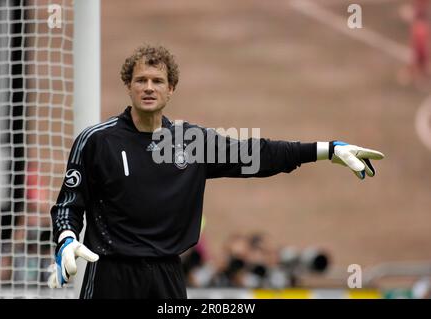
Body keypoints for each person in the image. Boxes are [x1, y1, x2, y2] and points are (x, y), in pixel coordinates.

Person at [47, 45, 384, 299]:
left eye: (157, 81)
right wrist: (65, 239)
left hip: (167, 275)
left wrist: (326, 150)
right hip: (110, 274)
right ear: (129, 86)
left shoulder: (192, 142)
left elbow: (259, 154)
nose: (149, 87)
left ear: (171, 88)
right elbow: (68, 204)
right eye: (141, 80)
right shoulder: (97, 141)